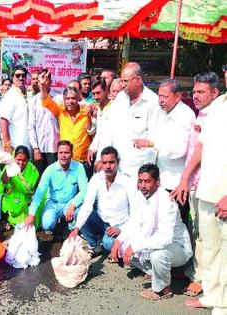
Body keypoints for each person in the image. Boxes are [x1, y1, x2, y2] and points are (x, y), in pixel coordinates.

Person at [171, 91, 227, 312]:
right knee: (210, 249)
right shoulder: (215, 106)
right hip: (207, 190)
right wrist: (184, 177)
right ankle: (213, 297)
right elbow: (201, 147)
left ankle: (224, 304)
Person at [110, 164, 192, 301]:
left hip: (177, 247)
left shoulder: (167, 201)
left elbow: (165, 238)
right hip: (155, 242)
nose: (142, 185)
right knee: (123, 249)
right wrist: (118, 240)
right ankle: (156, 270)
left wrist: (135, 247)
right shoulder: (140, 196)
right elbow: (134, 223)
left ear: (157, 182)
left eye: (147, 181)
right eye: (140, 181)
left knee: (157, 254)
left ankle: (163, 289)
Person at [133, 79, 195, 224]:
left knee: (174, 226)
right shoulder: (159, 111)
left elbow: (178, 150)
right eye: (159, 96)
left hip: (174, 183)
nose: (161, 100)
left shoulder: (185, 115)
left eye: (165, 97)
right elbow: (151, 144)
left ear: (178, 96)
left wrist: (152, 143)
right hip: (157, 180)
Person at [96, 62, 160, 182]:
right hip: (115, 169)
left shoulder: (152, 102)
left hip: (137, 172)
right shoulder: (120, 98)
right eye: (122, 81)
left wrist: (146, 176)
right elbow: (108, 130)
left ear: (138, 80)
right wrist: (101, 158)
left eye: (126, 81)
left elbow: (152, 141)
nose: (122, 85)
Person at [69, 147, 132, 256]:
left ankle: (117, 246)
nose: (108, 166)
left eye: (111, 162)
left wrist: (121, 230)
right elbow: (87, 205)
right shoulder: (96, 179)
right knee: (78, 213)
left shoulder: (127, 182)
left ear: (118, 162)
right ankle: (96, 244)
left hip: (120, 224)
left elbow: (136, 213)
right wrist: (76, 228)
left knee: (108, 243)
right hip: (102, 221)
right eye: (105, 163)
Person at [25, 141, 87, 232]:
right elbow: (40, 192)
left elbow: (85, 190)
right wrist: (31, 214)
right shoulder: (50, 169)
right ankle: (60, 224)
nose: (63, 156)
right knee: (47, 224)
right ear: (57, 154)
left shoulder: (79, 167)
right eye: (60, 153)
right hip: (53, 203)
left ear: (72, 154)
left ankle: (69, 226)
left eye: (66, 153)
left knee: (80, 215)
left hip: (70, 202)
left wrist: (73, 204)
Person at [38, 70, 92, 169]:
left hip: (83, 162)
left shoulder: (87, 111)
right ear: (64, 100)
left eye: (73, 98)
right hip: (66, 162)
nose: (70, 101)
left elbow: (93, 132)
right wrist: (42, 86)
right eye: (67, 99)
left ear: (78, 99)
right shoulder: (60, 111)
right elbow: (46, 100)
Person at [0, 145, 39, 228]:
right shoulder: (10, 165)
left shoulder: (33, 170)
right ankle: (7, 220)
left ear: (28, 160)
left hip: (26, 198)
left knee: (25, 222)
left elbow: (29, 189)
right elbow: (4, 182)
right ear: (14, 158)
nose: (21, 163)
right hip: (12, 195)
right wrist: (9, 169)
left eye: (24, 160)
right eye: (18, 160)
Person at [28, 69, 59, 175]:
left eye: (45, 78)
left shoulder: (58, 99)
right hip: (39, 150)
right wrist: (36, 148)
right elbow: (31, 126)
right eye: (40, 79)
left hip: (54, 149)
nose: (42, 81)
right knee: (39, 182)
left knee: (54, 181)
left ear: (50, 81)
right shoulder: (34, 101)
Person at [0, 66, 32, 153]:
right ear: (12, 78)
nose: (21, 78)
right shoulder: (10, 95)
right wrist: (7, 144)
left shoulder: (29, 94)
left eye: (23, 75)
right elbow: (3, 121)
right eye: (18, 75)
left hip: (29, 142)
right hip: (15, 144)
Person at [86, 78, 111, 167]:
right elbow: (96, 132)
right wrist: (92, 149)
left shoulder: (114, 108)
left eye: (98, 93)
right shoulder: (99, 109)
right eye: (93, 94)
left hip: (111, 157)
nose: (96, 97)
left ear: (106, 91)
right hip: (100, 155)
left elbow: (109, 137)